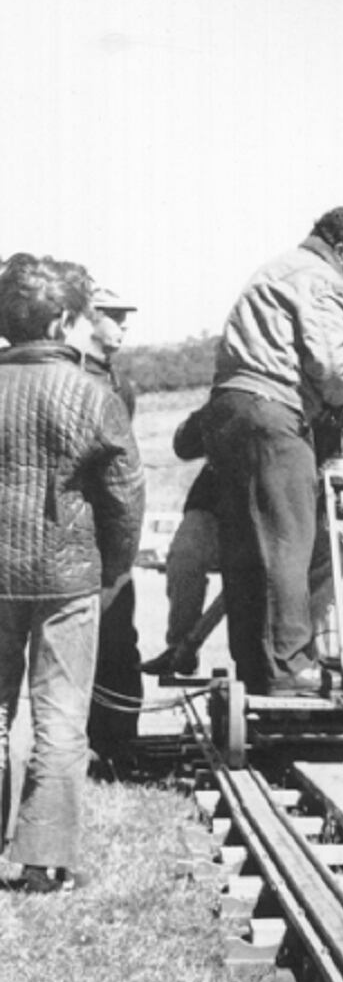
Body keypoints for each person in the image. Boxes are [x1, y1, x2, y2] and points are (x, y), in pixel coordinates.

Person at [0, 255, 145, 892]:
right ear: (63, 322)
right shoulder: (94, 395)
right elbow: (125, 496)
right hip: (67, 576)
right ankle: (44, 862)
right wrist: (111, 568)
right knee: (60, 717)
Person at [201, 204, 343, 695]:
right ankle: (292, 666)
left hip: (231, 411)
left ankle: (257, 669)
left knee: (245, 549)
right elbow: (331, 369)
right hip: (274, 413)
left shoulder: (277, 269)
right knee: (290, 544)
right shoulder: (324, 279)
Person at [80, 284, 145, 770]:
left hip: (109, 535)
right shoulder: (76, 378)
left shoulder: (119, 384)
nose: (123, 325)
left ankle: (118, 744)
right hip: (82, 533)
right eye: (114, 315)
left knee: (118, 639)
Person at [148, 404, 222, 680]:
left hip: (275, 509)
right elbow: (185, 445)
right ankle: (180, 647)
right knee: (185, 556)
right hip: (216, 506)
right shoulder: (228, 398)